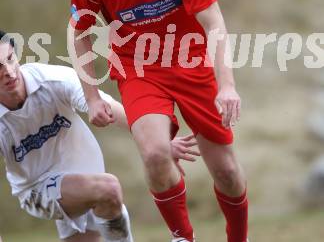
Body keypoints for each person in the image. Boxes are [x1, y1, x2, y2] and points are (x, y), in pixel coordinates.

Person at [70, 0, 248, 242]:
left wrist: (227, 85)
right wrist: (91, 97)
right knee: (154, 153)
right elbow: (78, 33)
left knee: (226, 172)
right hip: (138, 69)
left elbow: (213, 21)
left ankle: (239, 238)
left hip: (190, 61)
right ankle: (183, 236)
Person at [0, 31, 198, 242]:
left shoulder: (52, 80)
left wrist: (158, 143)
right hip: (36, 190)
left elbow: (106, 107)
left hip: (85, 181)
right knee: (109, 188)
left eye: (10, 59)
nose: (10, 73)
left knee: (103, 194)